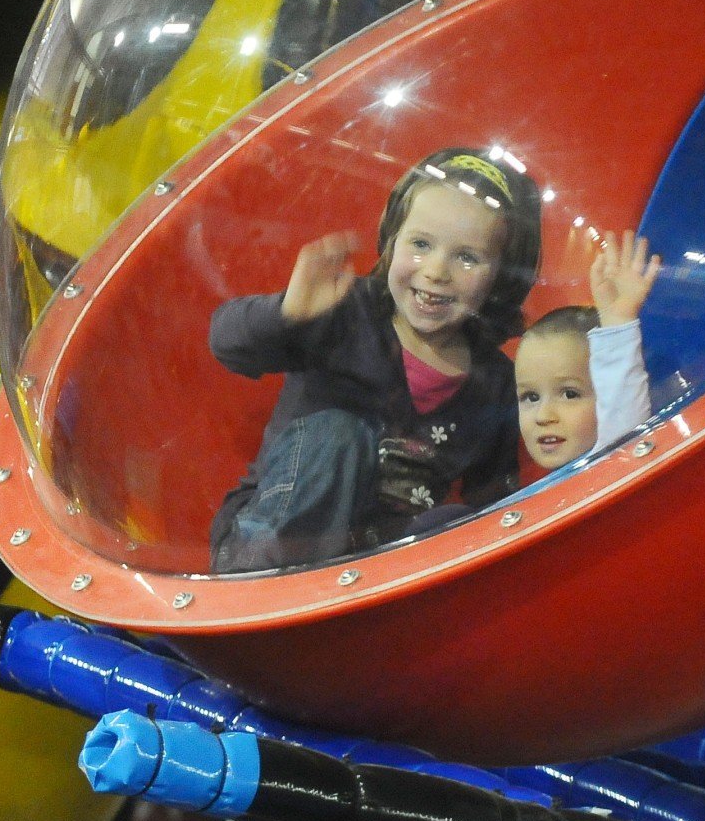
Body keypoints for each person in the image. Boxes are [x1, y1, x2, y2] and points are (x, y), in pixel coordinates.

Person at [207, 147, 542, 573]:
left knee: (454, 522)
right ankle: (259, 582)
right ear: (391, 240)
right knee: (337, 434)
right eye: (421, 244)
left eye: (467, 258)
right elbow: (227, 344)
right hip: (272, 543)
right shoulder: (348, 310)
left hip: (369, 564)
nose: (436, 270)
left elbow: (494, 493)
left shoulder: (494, 382)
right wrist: (287, 314)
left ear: (500, 277)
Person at [515, 232, 659, 476]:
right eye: (530, 397)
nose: (543, 416)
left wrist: (618, 322)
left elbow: (623, 418)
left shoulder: (612, 469)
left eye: (570, 394)